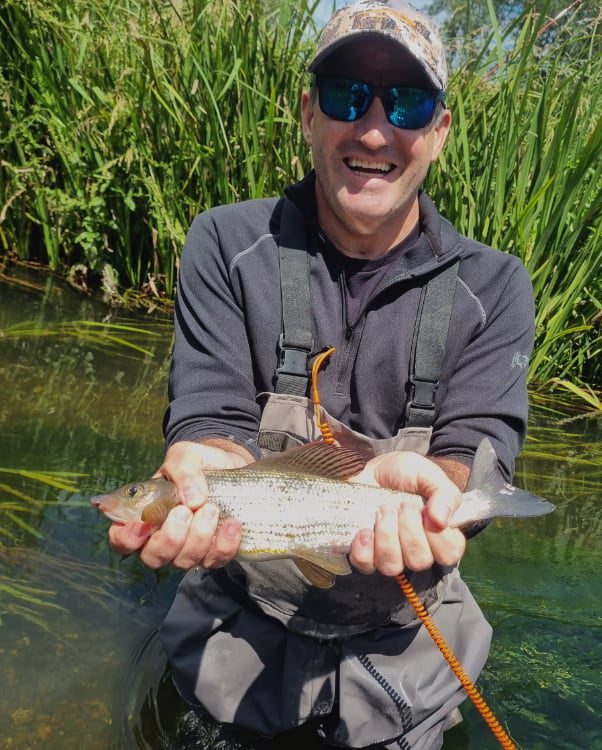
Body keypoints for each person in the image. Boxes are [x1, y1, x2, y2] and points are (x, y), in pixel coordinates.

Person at [109, 1, 536, 748]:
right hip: (242, 617)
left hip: (407, 626)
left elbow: (477, 439)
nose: (373, 129)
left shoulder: (495, 286)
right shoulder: (226, 242)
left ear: (439, 131)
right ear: (309, 113)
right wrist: (203, 457)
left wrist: (445, 485)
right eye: (346, 94)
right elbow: (210, 416)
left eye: (407, 102)